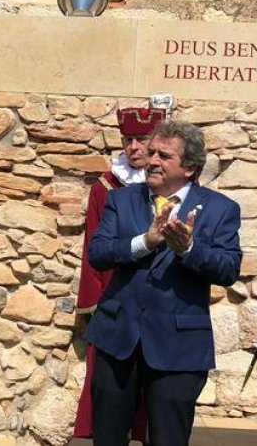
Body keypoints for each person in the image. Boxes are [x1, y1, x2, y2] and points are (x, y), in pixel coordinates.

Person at [85, 120, 241, 446]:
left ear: (189, 168)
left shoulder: (220, 209)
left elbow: (228, 270)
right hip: (118, 340)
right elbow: (98, 254)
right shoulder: (122, 199)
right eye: (152, 151)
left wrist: (188, 249)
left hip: (179, 347)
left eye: (164, 156)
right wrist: (144, 241)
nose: (151, 159)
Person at [44, 105, 165, 443]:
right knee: (111, 395)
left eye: (141, 139)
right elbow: (93, 248)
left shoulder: (177, 184)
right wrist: (94, 302)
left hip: (158, 301)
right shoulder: (106, 187)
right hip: (116, 300)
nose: (134, 148)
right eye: (128, 140)